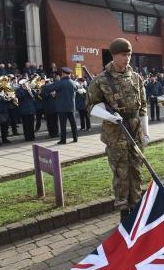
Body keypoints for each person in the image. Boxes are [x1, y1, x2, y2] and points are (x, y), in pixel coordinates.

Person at [87, 38, 150, 220]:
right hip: (115, 132)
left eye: (129, 54)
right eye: (123, 55)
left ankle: (136, 204)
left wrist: (146, 131)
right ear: (114, 55)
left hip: (135, 129)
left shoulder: (136, 78)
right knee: (121, 172)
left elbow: (143, 106)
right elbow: (91, 106)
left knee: (136, 170)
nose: (127, 58)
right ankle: (124, 209)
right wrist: (109, 116)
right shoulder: (101, 80)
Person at [42, 67, 78, 144]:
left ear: (63, 74)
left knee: (63, 125)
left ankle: (63, 140)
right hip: (71, 106)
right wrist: (58, 93)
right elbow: (75, 89)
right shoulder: (73, 82)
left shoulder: (61, 82)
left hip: (62, 107)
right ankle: (75, 138)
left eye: (62, 73)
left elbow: (49, 88)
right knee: (73, 123)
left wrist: (42, 85)